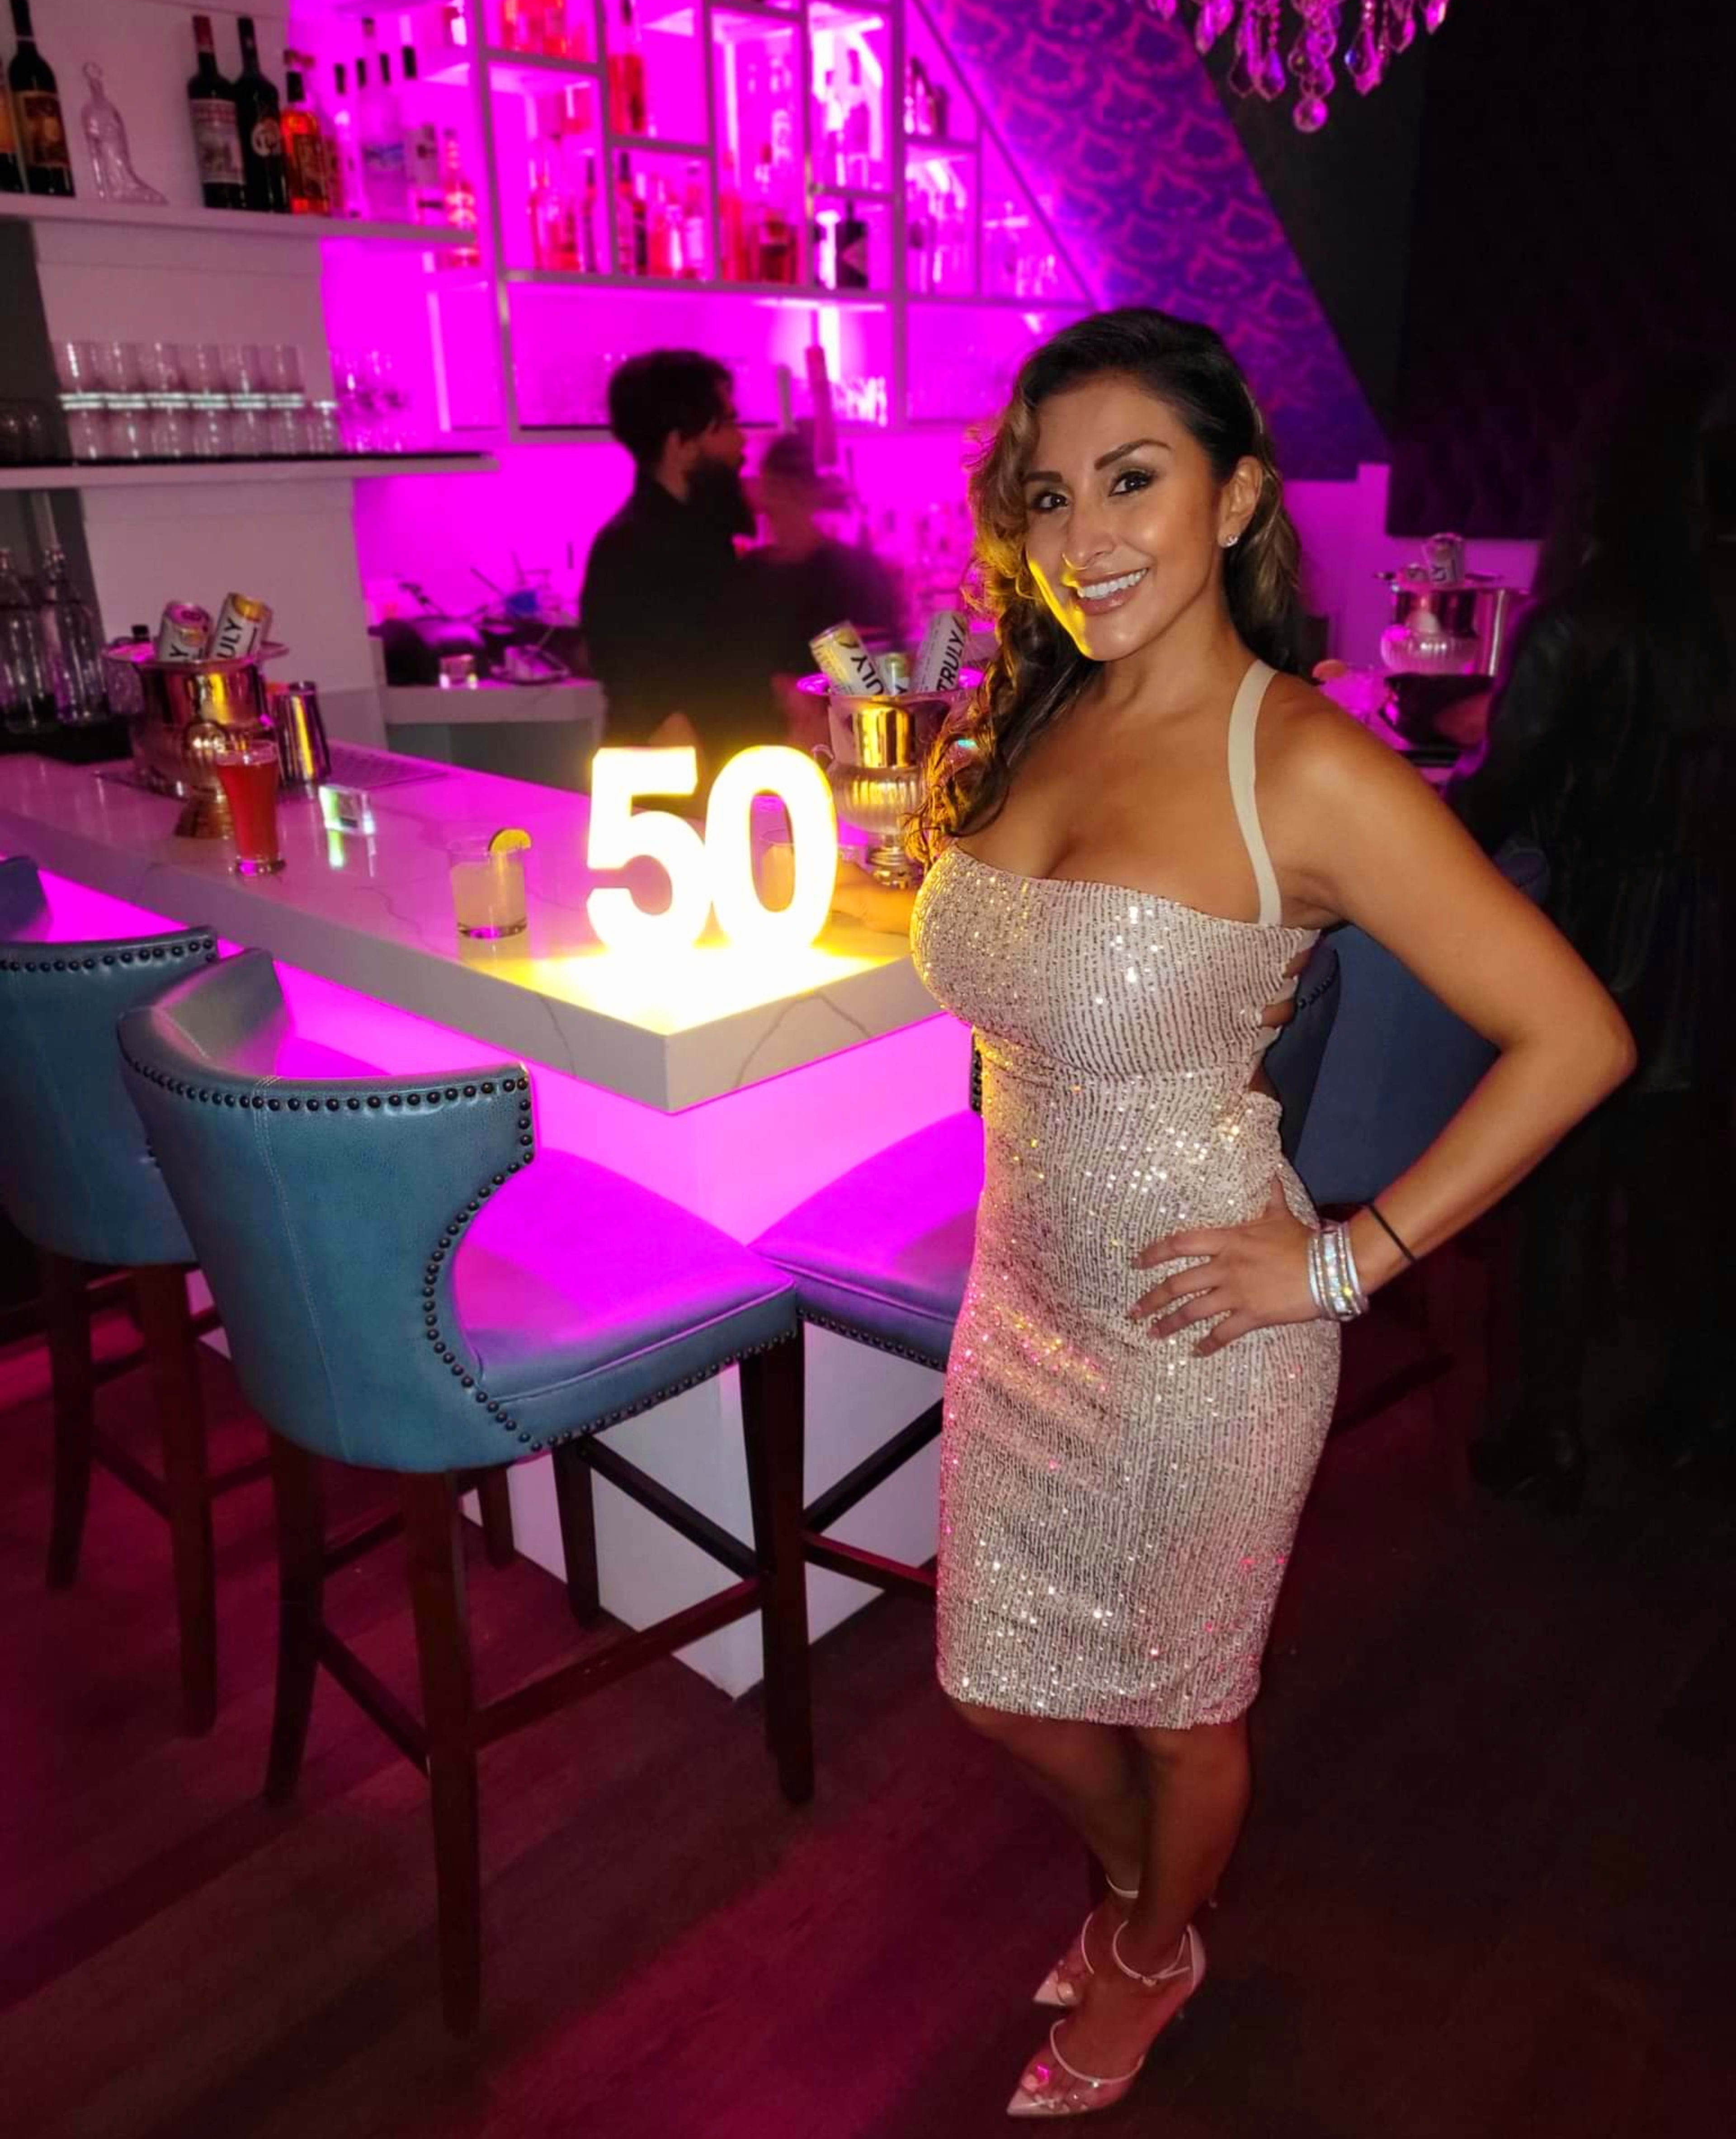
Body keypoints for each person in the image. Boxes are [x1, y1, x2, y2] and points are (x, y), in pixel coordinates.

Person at [836, 308, 1632, 2117]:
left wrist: (1352, 1258)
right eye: (1050, 495)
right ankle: (1142, 1894)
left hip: (1210, 1320)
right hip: (1022, 1289)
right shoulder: (1044, 705)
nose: (1085, 537)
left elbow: (1574, 1035)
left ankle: (1149, 1941)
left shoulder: (1309, 769)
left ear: (1237, 496)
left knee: (1181, 1708)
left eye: (1135, 480)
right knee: (996, 1680)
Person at [1451, 365, 1736, 1501]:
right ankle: (1697, 1401)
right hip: (1712, 934)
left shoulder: (1583, 614)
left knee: (1561, 1188)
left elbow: (1498, 800)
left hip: (1601, 934)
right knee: (1689, 1183)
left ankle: (1547, 1429)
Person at [579, 349, 774, 777]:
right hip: (677, 815)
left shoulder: (701, 537)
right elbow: (660, 711)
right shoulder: (630, 551)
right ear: (681, 445)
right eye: (725, 425)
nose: (742, 442)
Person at [745, 430, 906, 665]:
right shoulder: (753, 573)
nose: (784, 499)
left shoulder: (857, 574)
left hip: (836, 701)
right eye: (777, 488)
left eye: (788, 489)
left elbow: (890, 668)